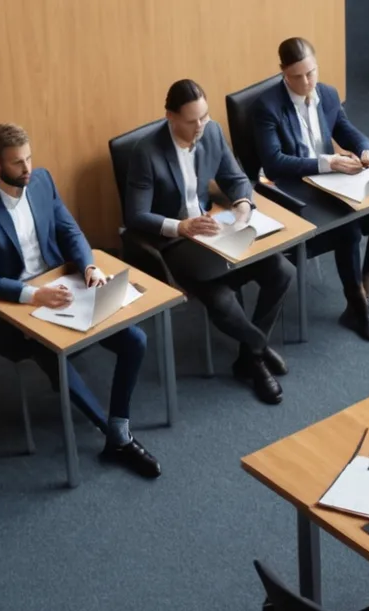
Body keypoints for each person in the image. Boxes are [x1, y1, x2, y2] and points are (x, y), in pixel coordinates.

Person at [0, 123, 160, 478]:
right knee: (57, 361)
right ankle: (115, 436)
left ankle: (118, 425)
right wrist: (35, 294)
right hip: (20, 304)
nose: (27, 168)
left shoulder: (42, 182)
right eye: (18, 163)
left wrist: (89, 268)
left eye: (29, 158)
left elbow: (69, 230)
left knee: (135, 341)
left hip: (63, 284)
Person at [125, 79, 294, 405]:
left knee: (282, 271)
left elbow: (236, 179)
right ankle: (258, 352)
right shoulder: (146, 153)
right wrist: (181, 226)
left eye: (204, 116)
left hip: (217, 227)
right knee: (223, 301)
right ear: (170, 117)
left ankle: (249, 356)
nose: (201, 126)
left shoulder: (212, 132)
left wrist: (243, 205)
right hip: (176, 244)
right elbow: (136, 215)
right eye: (192, 121)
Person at [253, 36, 369, 343]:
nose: (307, 82)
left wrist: (366, 151)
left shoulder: (328, 95)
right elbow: (275, 162)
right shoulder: (266, 108)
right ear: (283, 72)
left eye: (311, 72)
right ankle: (359, 306)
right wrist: (326, 164)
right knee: (347, 230)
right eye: (298, 76)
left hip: (334, 183)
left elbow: (348, 131)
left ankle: (363, 297)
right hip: (296, 190)